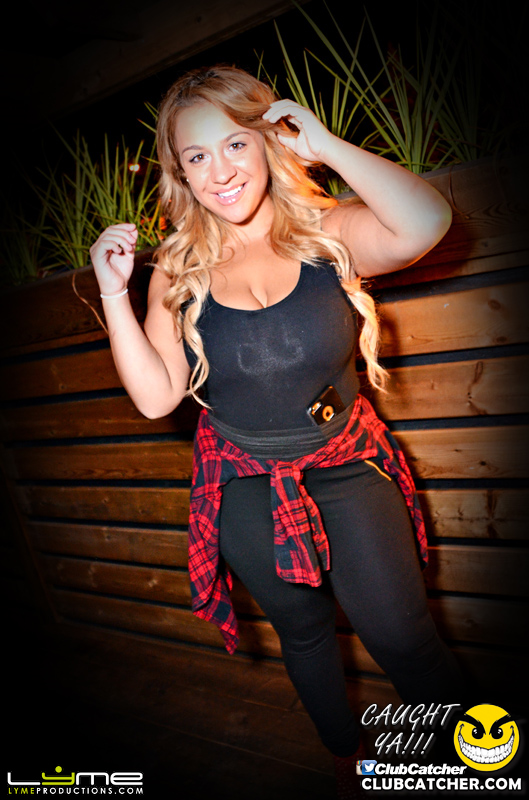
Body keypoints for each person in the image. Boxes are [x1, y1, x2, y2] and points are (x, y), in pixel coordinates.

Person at [89, 65, 462, 798]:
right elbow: (157, 399)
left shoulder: (328, 232)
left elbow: (427, 223)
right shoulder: (177, 269)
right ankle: (346, 757)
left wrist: (325, 147)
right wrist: (112, 293)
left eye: (235, 144)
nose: (221, 172)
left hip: (347, 466)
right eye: (197, 157)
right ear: (180, 173)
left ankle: (483, 766)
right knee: (303, 631)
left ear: (267, 141)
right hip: (244, 483)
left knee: (403, 638)